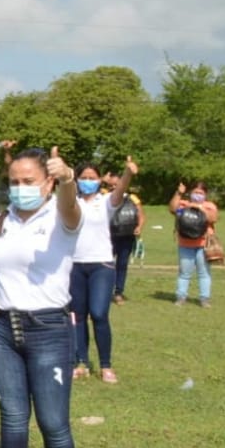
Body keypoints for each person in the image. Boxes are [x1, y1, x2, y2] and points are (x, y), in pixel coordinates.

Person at [0, 147, 101, 448]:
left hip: (49, 330)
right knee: (13, 418)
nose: (20, 189)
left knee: (53, 422)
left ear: (47, 183)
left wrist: (67, 180)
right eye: (14, 182)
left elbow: (71, 208)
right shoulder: (2, 221)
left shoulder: (62, 216)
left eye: (28, 181)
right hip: (3, 329)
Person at [71, 158, 137, 383]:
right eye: (84, 178)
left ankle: (106, 365)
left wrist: (127, 173)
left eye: (92, 178)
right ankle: (81, 362)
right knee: (77, 316)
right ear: (77, 180)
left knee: (99, 313)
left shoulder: (107, 201)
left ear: (100, 180)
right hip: (74, 265)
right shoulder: (70, 202)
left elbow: (120, 190)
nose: (88, 182)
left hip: (101, 265)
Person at [168, 180, 219, 307]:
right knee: (184, 272)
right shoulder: (184, 204)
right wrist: (179, 193)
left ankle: (204, 299)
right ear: (190, 193)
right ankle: (181, 297)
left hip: (203, 244)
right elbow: (173, 209)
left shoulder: (209, 206)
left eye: (200, 193)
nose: (197, 195)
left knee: (204, 272)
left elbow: (213, 218)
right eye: (195, 192)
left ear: (205, 194)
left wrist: (200, 208)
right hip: (185, 243)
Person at [103, 169, 144, 304]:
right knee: (105, 264)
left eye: (117, 184)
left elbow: (141, 215)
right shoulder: (104, 196)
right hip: (108, 236)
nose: (114, 187)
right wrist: (103, 180)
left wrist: (139, 227)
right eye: (111, 185)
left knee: (122, 264)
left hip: (126, 236)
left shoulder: (132, 198)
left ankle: (118, 292)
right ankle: (103, 290)